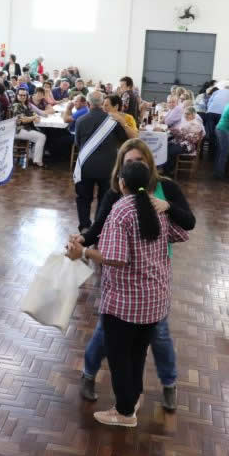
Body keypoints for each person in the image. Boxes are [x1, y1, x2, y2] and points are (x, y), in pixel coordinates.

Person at [67, 159, 189, 427]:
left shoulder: (121, 210)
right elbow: (180, 235)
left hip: (125, 301)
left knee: (120, 357)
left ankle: (124, 413)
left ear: (122, 183)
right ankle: (132, 400)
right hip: (154, 299)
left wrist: (84, 252)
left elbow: (116, 259)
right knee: (138, 353)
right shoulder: (156, 207)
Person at [74, 90, 135, 231]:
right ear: (102, 103)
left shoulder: (80, 121)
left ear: (88, 103)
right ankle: (100, 228)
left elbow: (77, 143)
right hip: (109, 167)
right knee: (105, 199)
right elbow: (125, 140)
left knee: (83, 198)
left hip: (85, 166)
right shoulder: (114, 121)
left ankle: (84, 226)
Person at [10, 88, 48, 168]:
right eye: (20, 95)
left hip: (26, 128)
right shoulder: (16, 105)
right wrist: (34, 117)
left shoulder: (26, 105)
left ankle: (33, 157)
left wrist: (35, 116)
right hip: (18, 130)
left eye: (24, 95)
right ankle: (37, 161)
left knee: (42, 134)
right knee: (41, 137)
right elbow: (23, 120)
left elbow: (34, 114)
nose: (23, 96)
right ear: (17, 95)